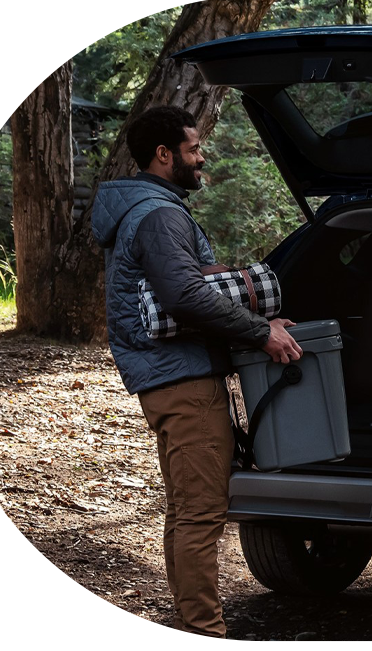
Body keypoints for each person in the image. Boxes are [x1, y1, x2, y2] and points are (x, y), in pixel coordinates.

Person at [92, 105, 302, 642]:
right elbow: (184, 295)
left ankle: (195, 631)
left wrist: (254, 320)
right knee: (199, 516)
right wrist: (261, 332)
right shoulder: (160, 215)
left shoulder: (144, 207)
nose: (201, 156)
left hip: (170, 377)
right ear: (164, 155)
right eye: (193, 148)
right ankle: (204, 636)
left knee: (187, 511)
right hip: (183, 383)